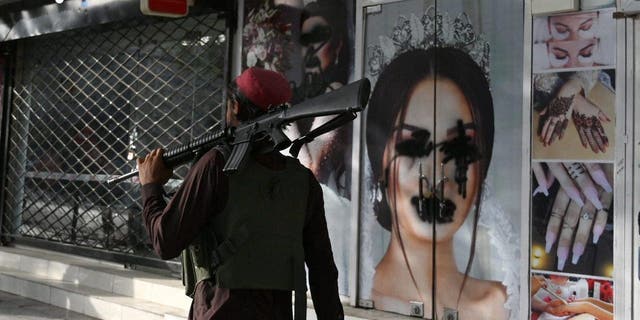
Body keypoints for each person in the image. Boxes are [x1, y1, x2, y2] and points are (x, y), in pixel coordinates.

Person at [136, 67, 344, 320]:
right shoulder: (302, 180)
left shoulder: (216, 166)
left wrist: (150, 186)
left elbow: (165, 242)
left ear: (234, 106)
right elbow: (323, 270)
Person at [366, 47, 507, 319]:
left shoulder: (503, 304)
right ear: (380, 163)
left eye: (459, 148)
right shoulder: (357, 297)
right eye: (412, 146)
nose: (434, 176)